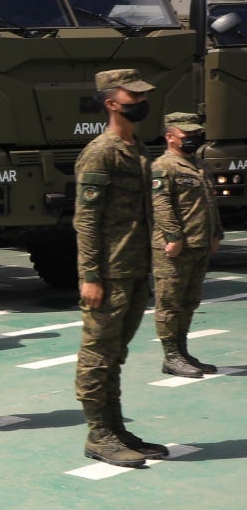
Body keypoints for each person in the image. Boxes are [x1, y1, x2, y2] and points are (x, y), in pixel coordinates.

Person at [73, 69, 168, 467]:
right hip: (109, 273)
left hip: (133, 267)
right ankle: (99, 435)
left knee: (116, 353)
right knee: (97, 354)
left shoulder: (137, 147)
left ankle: (114, 426)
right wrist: (90, 276)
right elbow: (86, 221)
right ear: (112, 103)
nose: (142, 102)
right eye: (135, 96)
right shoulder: (102, 152)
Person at [151, 111, 224, 378]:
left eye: (196, 135)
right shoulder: (163, 166)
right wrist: (173, 236)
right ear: (170, 137)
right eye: (187, 135)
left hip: (200, 243)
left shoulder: (200, 165)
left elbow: (209, 203)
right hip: (175, 247)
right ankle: (171, 356)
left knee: (189, 301)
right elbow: (161, 205)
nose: (192, 139)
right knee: (170, 303)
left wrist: (216, 233)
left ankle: (182, 352)